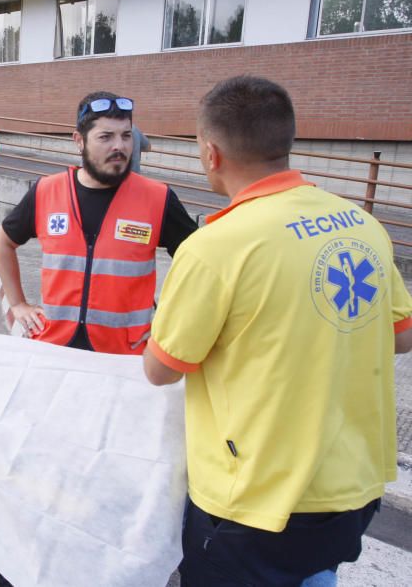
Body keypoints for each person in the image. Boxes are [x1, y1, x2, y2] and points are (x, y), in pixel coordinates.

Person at [143, 76, 412, 586]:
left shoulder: (215, 246)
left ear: (211, 152)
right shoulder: (361, 224)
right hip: (349, 487)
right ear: (284, 141)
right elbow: (401, 334)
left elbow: (162, 368)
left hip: (251, 504)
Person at [0, 91, 196, 353]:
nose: (119, 146)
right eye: (105, 137)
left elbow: (200, 265)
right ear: (79, 140)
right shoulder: (46, 191)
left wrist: (170, 321)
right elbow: (2, 243)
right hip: (54, 348)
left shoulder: (158, 198)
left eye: (125, 135)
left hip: (123, 355)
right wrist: (18, 304)